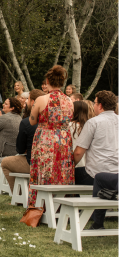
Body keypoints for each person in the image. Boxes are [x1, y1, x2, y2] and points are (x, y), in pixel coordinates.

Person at [22, 65, 76, 226]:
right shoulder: (69, 101)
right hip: (64, 140)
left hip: (46, 138)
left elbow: (32, 121)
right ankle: (60, 208)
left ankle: (39, 209)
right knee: (61, 172)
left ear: (47, 81)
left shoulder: (41, 99)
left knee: (42, 171)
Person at [72, 91, 119, 229]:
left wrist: (70, 167)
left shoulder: (93, 122)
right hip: (118, 175)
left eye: (95, 102)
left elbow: (79, 152)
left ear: (100, 105)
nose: (94, 105)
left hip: (95, 174)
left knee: (69, 176)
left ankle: (72, 212)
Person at [0, 97, 24, 176]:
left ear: (12, 108)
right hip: (15, 149)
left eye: (6, 104)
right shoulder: (19, 117)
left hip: (3, 150)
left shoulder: (4, 118)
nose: (3, 104)